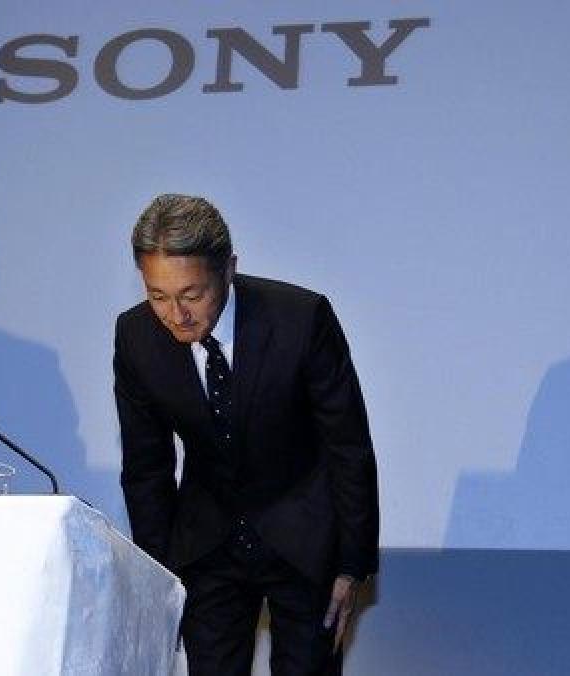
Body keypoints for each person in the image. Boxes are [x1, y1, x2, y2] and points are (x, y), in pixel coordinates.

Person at [113, 194, 380, 675]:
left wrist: (350, 564)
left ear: (228, 270)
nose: (176, 314)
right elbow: (146, 466)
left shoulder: (301, 319)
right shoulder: (136, 337)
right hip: (207, 544)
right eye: (158, 296)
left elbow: (348, 445)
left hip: (304, 538)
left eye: (192, 294)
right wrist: (159, 578)